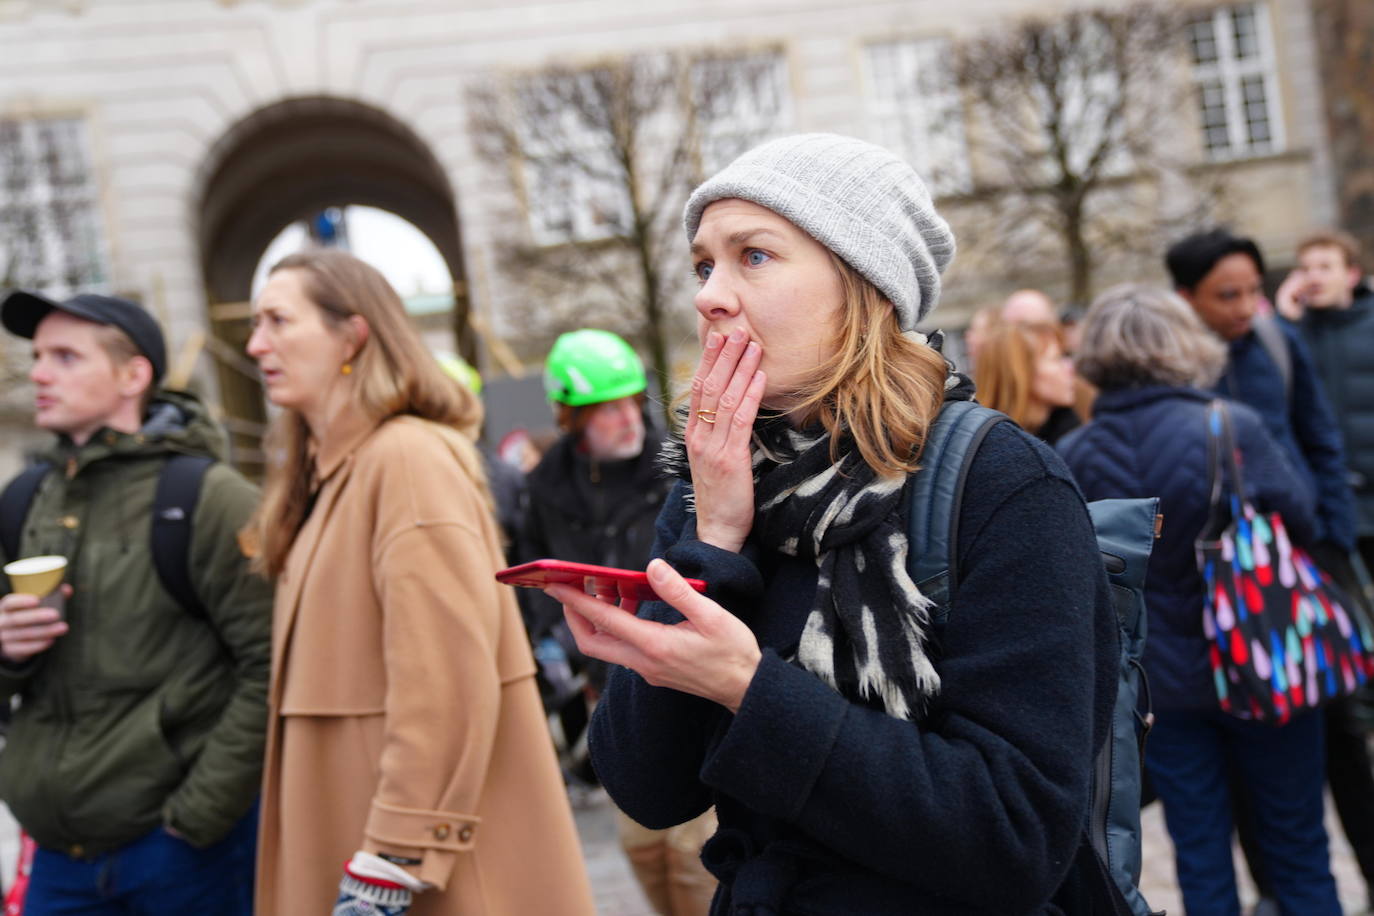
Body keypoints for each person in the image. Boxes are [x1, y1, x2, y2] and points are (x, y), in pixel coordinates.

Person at [549, 133, 1118, 913]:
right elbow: (648, 790)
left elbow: (1015, 836)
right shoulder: (715, 482)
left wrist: (748, 689)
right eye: (704, 264)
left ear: (864, 285)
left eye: (753, 255)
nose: (709, 294)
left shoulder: (1001, 481)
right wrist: (711, 542)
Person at [245, 250, 594, 916]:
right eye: (256, 322)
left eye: (279, 321)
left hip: (417, 865)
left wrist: (394, 859)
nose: (256, 342)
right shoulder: (325, 474)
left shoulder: (405, 457)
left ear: (352, 335)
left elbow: (446, 675)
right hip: (351, 825)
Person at [1058, 283, 1341, 915]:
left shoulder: (1074, 453)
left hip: (1160, 683)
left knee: (1199, 850)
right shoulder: (1229, 426)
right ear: (1182, 341)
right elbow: (1301, 517)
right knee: (1297, 844)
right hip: (1264, 660)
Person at [0, 290, 270, 915]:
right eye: (38, 355)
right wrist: (7, 651)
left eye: (65, 357)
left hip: (180, 855)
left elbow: (272, 665)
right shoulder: (23, 500)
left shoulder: (207, 497)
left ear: (133, 375)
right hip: (58, 862)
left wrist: (198, 818)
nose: (38, 373)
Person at [521, 328, 717, 916]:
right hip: (608, 691)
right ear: (571, 417)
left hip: (686, 684)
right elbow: (531, 569)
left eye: (632, 400)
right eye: (607, 407)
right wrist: (549, 643)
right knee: (642, 850)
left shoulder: (676, 467)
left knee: (695, 857)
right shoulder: (546, 485)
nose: (627, 417)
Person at [1274, 228, 1374, 907]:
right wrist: (1280, 319)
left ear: (1353, 272)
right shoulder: (1286, 339)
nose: (1313, 276)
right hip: (1335, 531)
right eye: (1304, 266)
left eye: (1325, 266)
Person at [1166, 228, 1356, 558]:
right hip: (1213, 555)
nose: (1246, 306)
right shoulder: (1167, 364)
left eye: (1254, 290)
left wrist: (1335, 536)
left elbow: (1321, 438)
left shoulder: (1278, 341)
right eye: (1228, 295)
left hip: (1304, 540)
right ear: (1186, 296)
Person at [973, 320, 1081, 445]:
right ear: (1021, 373)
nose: (1070, 367)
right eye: (1056, 359)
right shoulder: (991, 444)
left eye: (1066, 356)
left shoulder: (1074, 434)